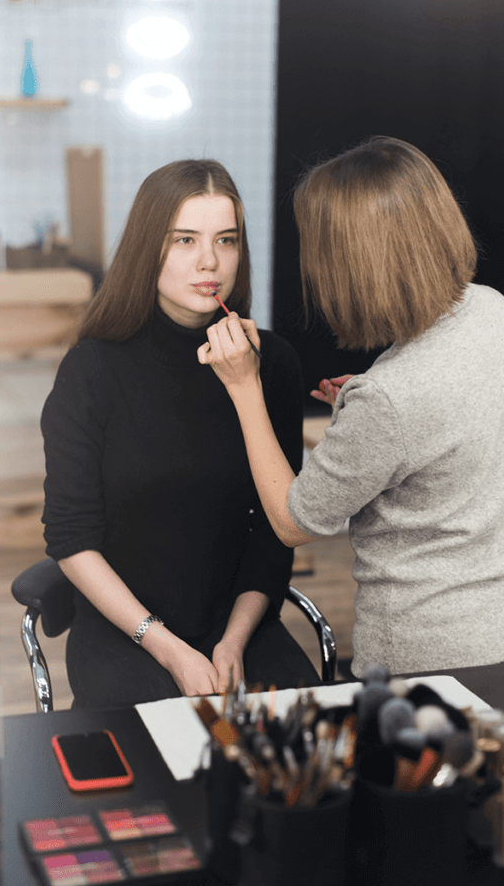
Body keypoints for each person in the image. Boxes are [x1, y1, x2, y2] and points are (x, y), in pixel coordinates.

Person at [199, 136, 504, 678]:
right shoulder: (496, 311)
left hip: (423, 668)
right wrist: (381, 420)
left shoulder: (388, 399)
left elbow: (294, 521)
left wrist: (245, 387)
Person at [40, 158, 321, 708]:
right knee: (176, 757)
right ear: (150, 248)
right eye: (185, 240)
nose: (209, 261)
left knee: (307, 755)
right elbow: (71, 539)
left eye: (226, 240)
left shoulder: (274, 362)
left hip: (239, 623)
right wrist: (167, 648)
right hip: (129, 631)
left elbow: (275, 531)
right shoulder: (92, 369)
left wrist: (234, 640)